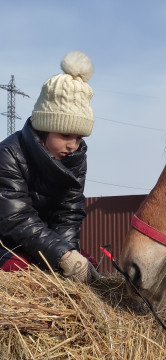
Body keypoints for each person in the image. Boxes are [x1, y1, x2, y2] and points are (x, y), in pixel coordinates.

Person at [0, 51, 99, 283]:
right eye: (65, 135)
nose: (72, 145)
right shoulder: (8, 155)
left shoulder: (75, 159)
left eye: (79, 137)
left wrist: (69, 257)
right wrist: (62, 255)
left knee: (90, 267)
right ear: (45, 128)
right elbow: (16, 219)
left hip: (44, 243)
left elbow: (69, 213)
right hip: (7, 242)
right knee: (24, 274)